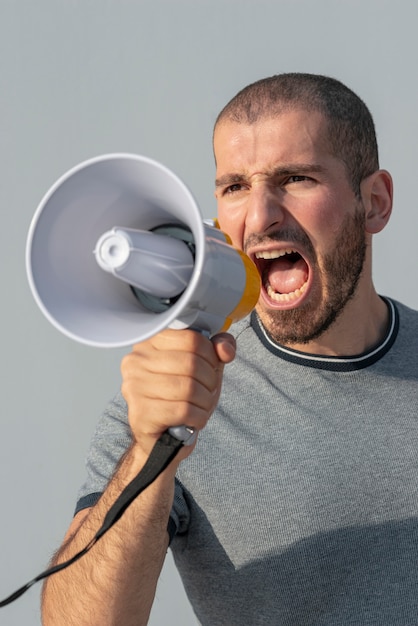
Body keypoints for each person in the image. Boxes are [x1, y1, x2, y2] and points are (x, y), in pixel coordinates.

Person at [41, 73, 418, 625]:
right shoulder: (166, 403)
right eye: (235, 186)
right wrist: (154, 451)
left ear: (375, 202)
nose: (260, 217)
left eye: (296, 178)